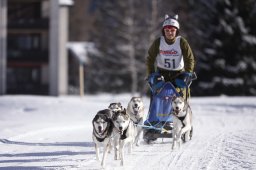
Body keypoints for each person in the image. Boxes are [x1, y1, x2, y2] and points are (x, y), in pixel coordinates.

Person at [146, 14, 195, 99]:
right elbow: (150, 58)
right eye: (167, 30)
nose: (169, 33)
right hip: (161, 73)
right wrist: (151, 74)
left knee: (183, 92)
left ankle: (184, 109)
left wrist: (188, 73)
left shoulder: (182, 42)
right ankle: (156, 111)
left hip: (178, 74)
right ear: (163, 31)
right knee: (156, 94)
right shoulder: (158, 42)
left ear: (176, 31)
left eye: (172, 30)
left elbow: (189, 59)